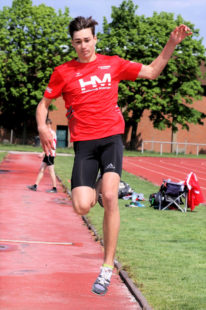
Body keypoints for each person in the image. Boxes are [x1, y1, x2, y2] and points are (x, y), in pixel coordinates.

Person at [35, 16, 192, 295]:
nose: (83, 46)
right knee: (82, 206)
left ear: (96, 39)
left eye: (87, 40)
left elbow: (152, 71)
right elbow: (44, 104)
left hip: (110, 138)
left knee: (109, 198)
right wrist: (42, 127)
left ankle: (106, 267)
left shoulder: (113, 64)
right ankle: (106, 182)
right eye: (77, 42)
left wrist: (171, 43)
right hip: (84, 143)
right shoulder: (63, 72)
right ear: (73, 44)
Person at [28, 118, 57, 193]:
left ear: (48, 124)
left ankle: (54, 188)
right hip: (48, 154)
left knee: (51, 171)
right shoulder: (51, 132)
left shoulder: (50, 133)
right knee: (41, 169)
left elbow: (50, 145)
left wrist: (43, 153)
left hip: (50, 154)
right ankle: (35, 186)